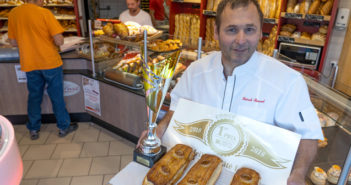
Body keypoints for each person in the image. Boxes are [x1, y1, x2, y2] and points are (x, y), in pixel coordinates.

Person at [137, 0, 323, 184]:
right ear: (216, 32)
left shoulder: (288, 81)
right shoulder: (196, 71)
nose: (241, 40)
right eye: (231, 30)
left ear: (260, 32)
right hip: (192, 175)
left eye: (249, 30)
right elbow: (176, 110)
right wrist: (158, 131)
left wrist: (298, 173)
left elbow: (308, 136)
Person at [8, 0, 78, 140]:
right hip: (49, 62)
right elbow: (59, 41)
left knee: (34, 97)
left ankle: (33, 128)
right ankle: (63, 127)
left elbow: (13, 42)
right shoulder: (44, 13)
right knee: (56, 96)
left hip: (29, 63)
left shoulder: (13, 13)